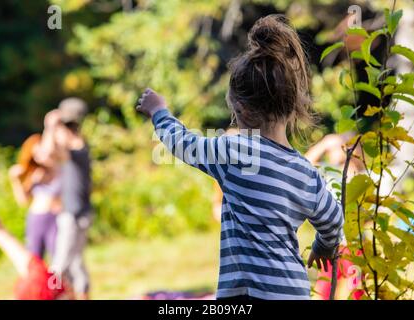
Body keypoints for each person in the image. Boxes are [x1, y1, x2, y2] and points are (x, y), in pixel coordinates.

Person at [137, 15, 344, 300]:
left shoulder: (236, 154)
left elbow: (182, 143)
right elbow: (333, 219)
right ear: (290, 106)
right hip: (293, 292)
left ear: (241, 110)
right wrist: (324, 245)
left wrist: (159, 111)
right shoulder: (305, 171)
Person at [37, 97, 93, 300]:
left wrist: (49, 128)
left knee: (59, 266)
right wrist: (52, 130)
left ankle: (50, 295)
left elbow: (46, 154)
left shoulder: (76, 150)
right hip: (79, 213)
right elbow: (47, 154)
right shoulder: (80, 148)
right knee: (76, 263)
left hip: (74, 215)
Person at [305, 133, 364, 300]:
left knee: (357, 289)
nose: (332, 152)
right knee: (324, 288)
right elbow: (304, 166)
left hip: (355, 245)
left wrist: (350, 155)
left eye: (338, 148)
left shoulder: (362, 176)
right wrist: (324, 143)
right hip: (331, 243)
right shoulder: (326, 174)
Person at [0, 202, 73, 300]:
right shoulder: (36, 276)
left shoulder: (39, 276)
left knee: (0, 232)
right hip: (43, 283)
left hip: (45, 283)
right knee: (0, 233)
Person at [8, 134, 62, 260]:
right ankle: (39, 280)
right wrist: (15, 181)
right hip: (36, 217)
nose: (40, 158)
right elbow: (23, 201)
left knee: (58, 256)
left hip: (56, 217)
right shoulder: (35, 175)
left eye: (41, 152)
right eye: (36, 155)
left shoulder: (61, 168)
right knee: (35, 257)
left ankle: (56, 281)